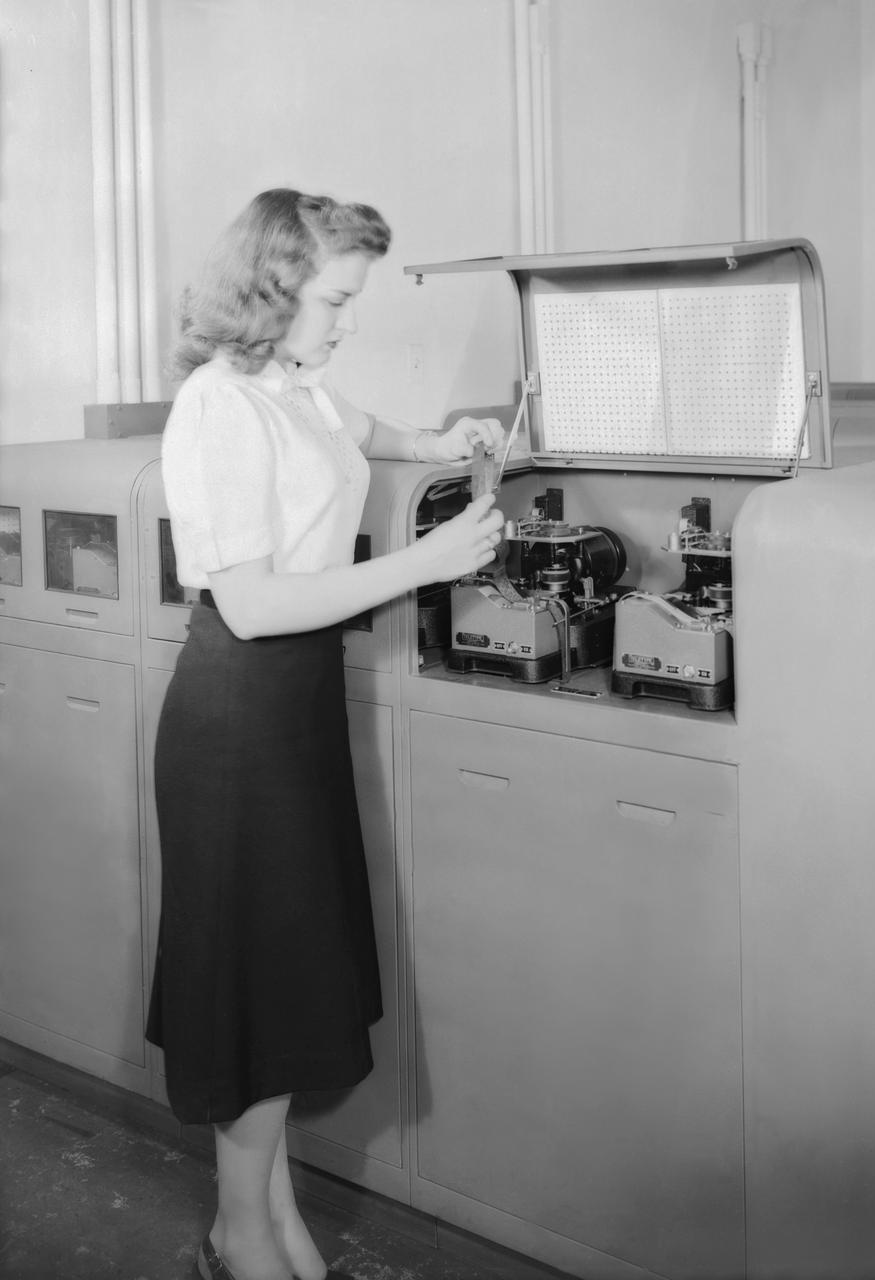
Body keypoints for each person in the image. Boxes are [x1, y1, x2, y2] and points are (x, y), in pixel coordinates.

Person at [145, 188, 505, 1280]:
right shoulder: (220, 405)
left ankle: (271, 1215)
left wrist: (444, 439)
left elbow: (365, 432)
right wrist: (429, 562)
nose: (346, 320)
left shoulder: (294, 386)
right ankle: (236, 1230)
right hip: (237, 712)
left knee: (291, 970)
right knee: (256, 979)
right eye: (335, 298)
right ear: (273, 286)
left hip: (294, 702)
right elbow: (251, 602)